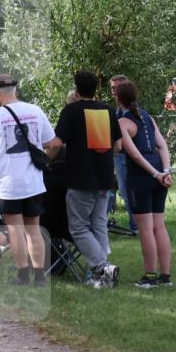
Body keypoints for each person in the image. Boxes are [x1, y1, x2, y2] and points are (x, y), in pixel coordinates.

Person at [0, 74, 57, 287]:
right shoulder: (35, 111)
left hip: (8, 184)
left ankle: (23, 274)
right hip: (32, 181)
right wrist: (43, 159)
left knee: (15, 230)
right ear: (14, 89)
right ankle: (39, 276)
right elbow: (52, 142)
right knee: (34, 230)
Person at [50, 70, 123, 288]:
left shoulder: (71, 111)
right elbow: (118, 146)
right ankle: (103, 276)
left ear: (77, 88)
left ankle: (102, 266)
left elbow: (56, 143)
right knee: (99, 224)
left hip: (80, 178)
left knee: (79, 228)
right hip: (104, 177)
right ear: (96, 88)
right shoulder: (107, 110)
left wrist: (45, 159)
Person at [116, 80, 174, 288]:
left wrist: (157, 174)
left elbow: (134, 154)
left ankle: (150, 276)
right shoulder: (147, 116)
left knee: (146, 229)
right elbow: (162, 146)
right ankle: (165, 276)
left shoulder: (123, 122)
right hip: (158, 173)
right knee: (159, 226)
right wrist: (165, 171)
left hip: (141, 177)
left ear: (118, 99)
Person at [107, 75, 137, 234]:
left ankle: (136, 225)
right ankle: (136, 224)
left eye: (116, 88)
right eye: (111, 88)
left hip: (125, 155)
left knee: (128, 190)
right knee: (126, 191)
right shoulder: (119, 110)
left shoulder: (129, 112)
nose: (113, 91)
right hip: (120, 156)